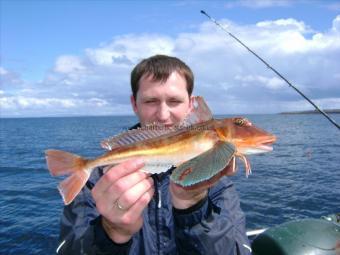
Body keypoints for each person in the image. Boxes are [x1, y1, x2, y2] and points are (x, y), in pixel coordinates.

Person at [57, 55, 251, 254]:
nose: (163, 115)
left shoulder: (213, 178)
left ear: (191, 105)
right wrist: (112, 233)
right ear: (135, 104)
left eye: (174, 101)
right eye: (151, 101)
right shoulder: (97, 181)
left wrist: (194, 208)